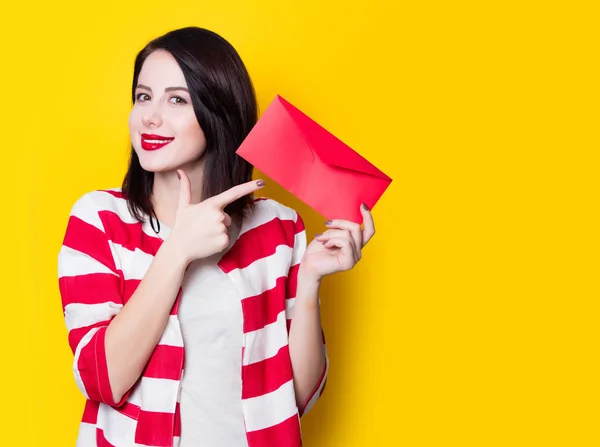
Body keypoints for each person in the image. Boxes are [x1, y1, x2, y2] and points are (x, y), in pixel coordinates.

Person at [57, 26, 375, 447]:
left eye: (176, 99)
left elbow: (294, 400)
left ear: (218, 112)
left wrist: (311, 279)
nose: (150, 115)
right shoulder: (100, 219)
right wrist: (177, 251)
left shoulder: (279, 229)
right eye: (142, 96)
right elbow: (102, 381)